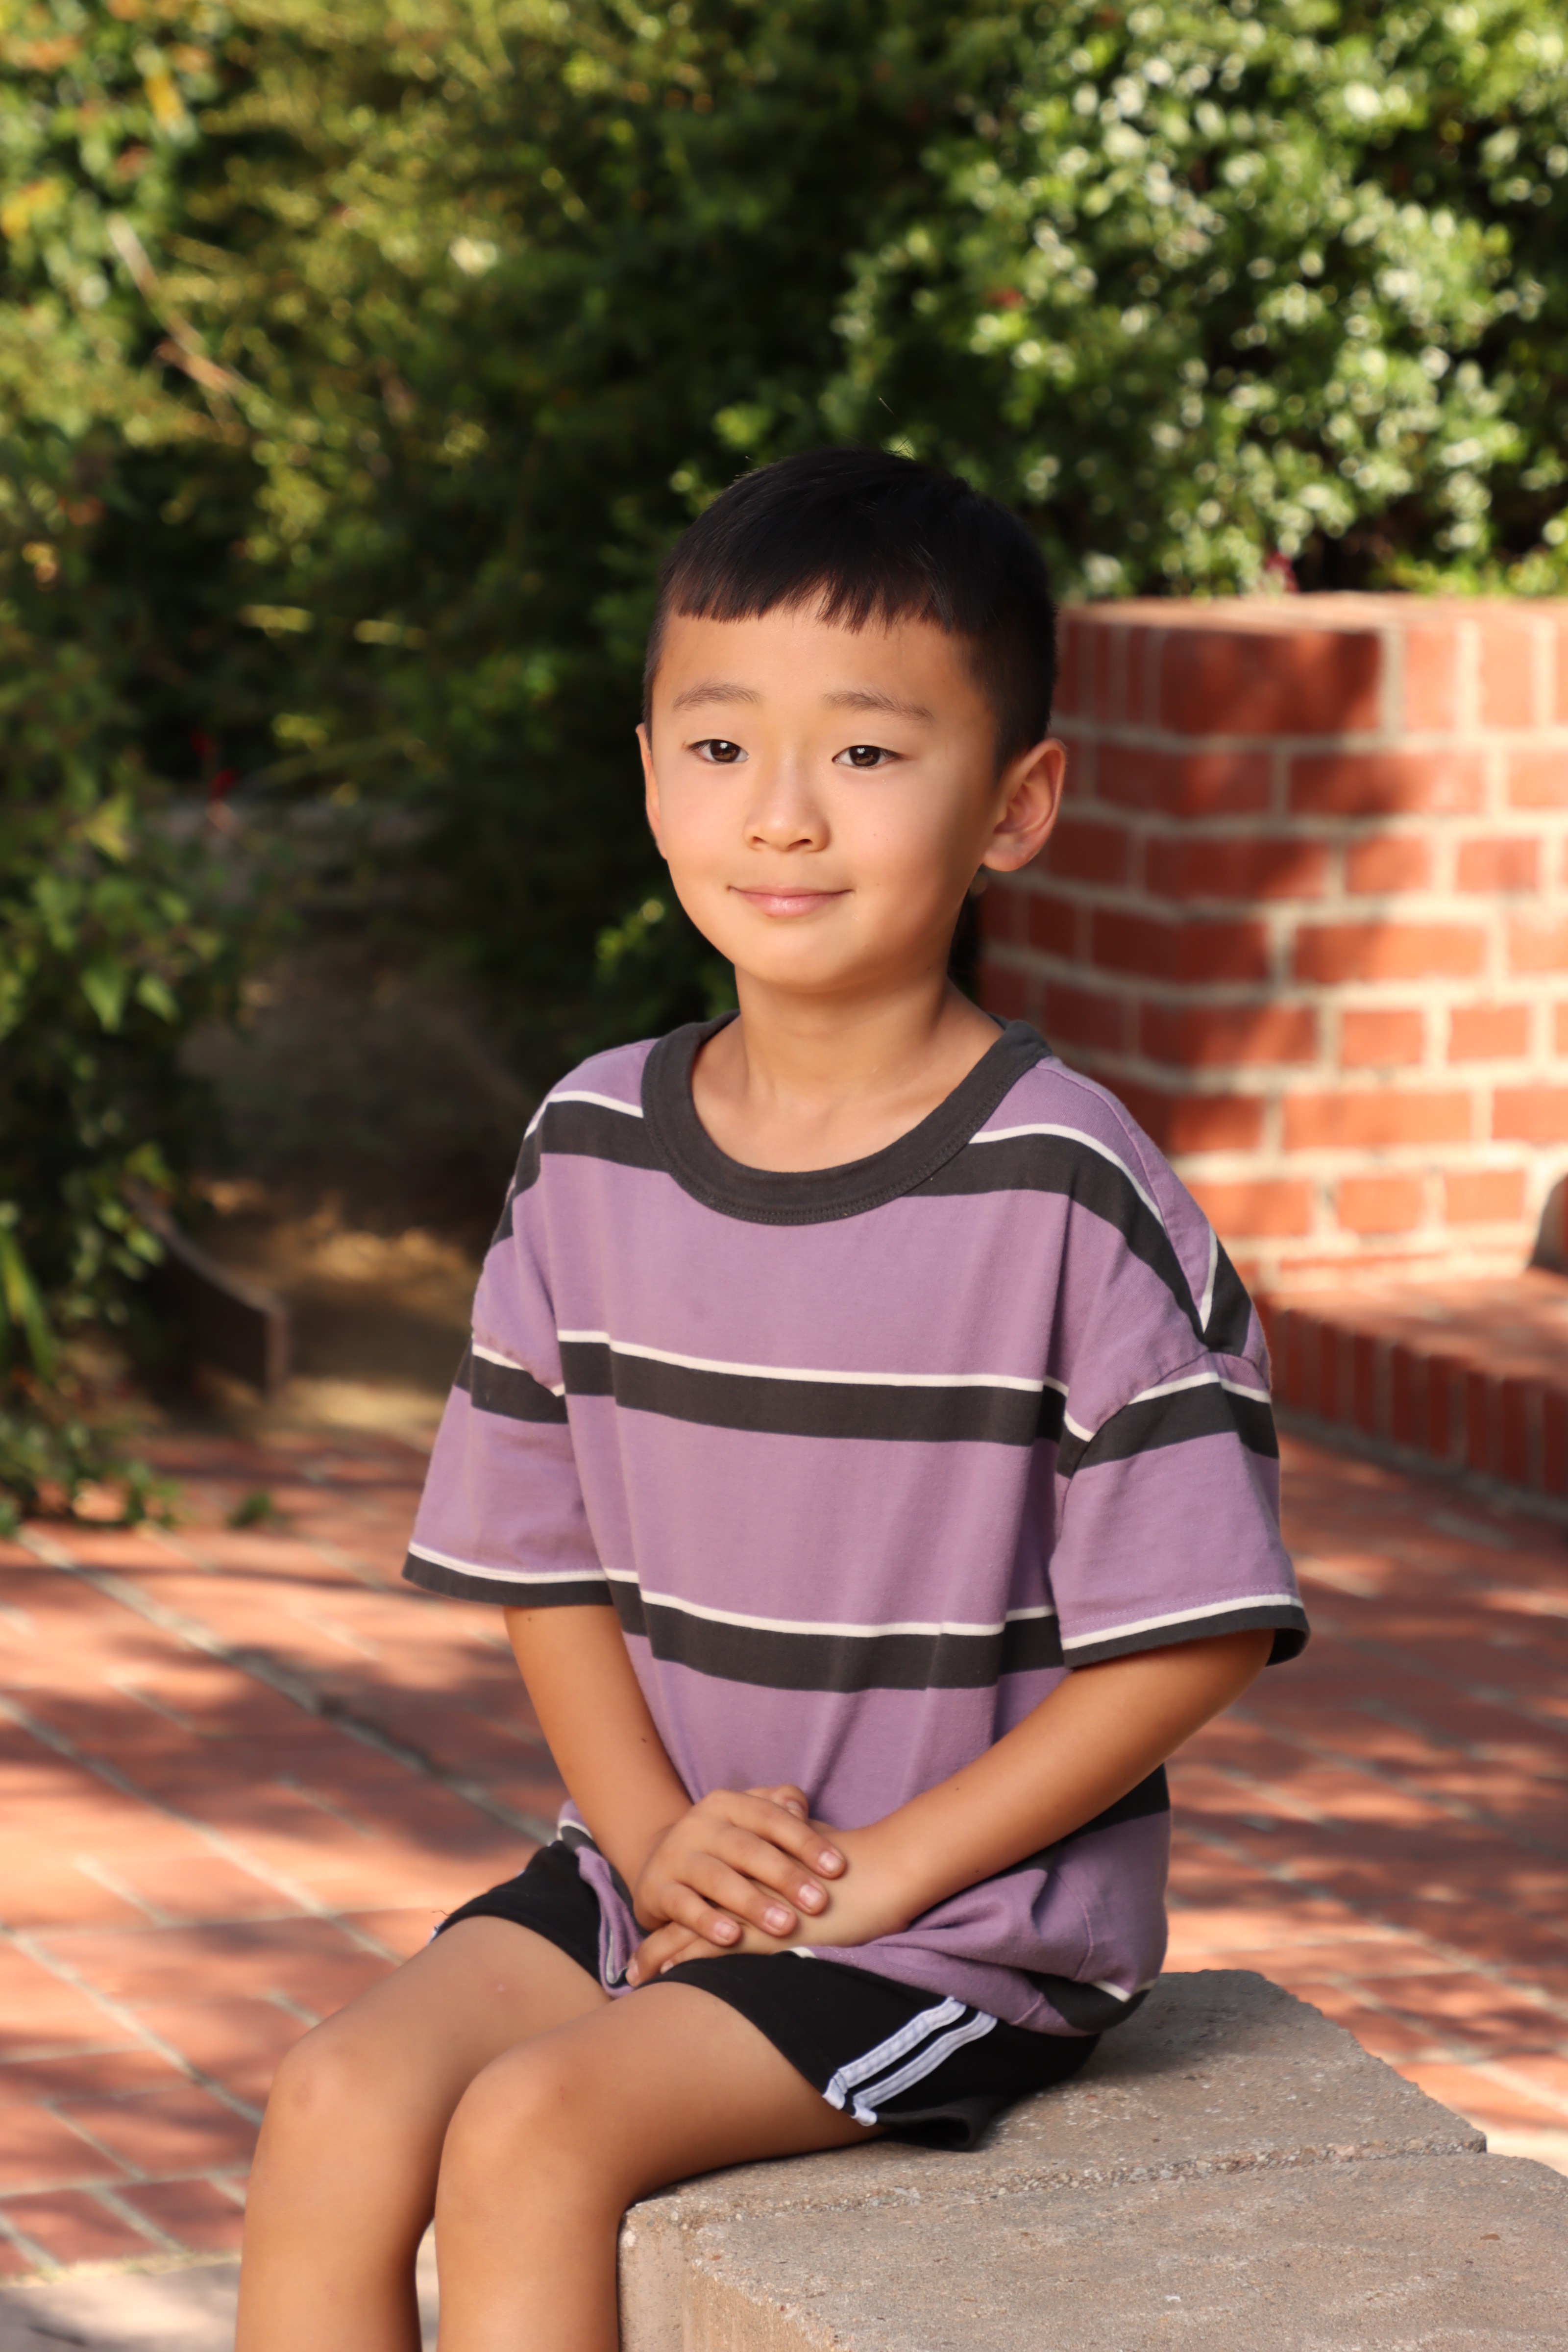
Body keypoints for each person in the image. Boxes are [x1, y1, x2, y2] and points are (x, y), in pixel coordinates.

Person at [235, 447, 1307, 2352]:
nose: (783, 814)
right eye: (722, 748)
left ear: (1016, 803)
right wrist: (648, 1834)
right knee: (332, 2103)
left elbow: (1194, 1631)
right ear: (652, 771)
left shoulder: (1066, 1186)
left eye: (867, 753)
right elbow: (544, 1561)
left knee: (533, 2134)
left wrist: (886, 1872)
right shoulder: (589, 1148)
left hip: (954, 1928)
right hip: (647, 1864)